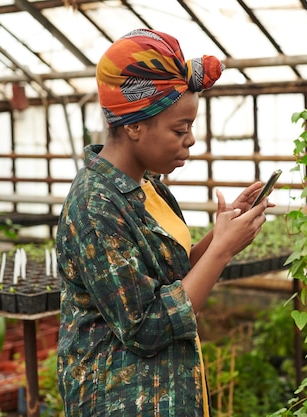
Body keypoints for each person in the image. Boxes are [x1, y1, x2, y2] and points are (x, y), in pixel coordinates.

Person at [55, 29, 269, 417]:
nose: (189, 141)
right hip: (124, 400)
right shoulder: (95, 205)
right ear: (134, 126)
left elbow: (172, 272)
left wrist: (222, 235)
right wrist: (220, 251)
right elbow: (146, 327)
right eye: (179, 129)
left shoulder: (148, 185)